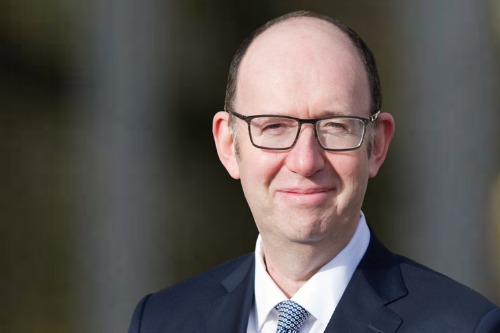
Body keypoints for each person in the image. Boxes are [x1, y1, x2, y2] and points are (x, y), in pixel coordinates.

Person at [128, 10, 500, 333]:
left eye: (336, 126)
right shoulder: (161, 322)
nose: (305, 161)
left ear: (378, 145)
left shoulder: (465, 327)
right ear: (229, 145)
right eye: (273, 126)